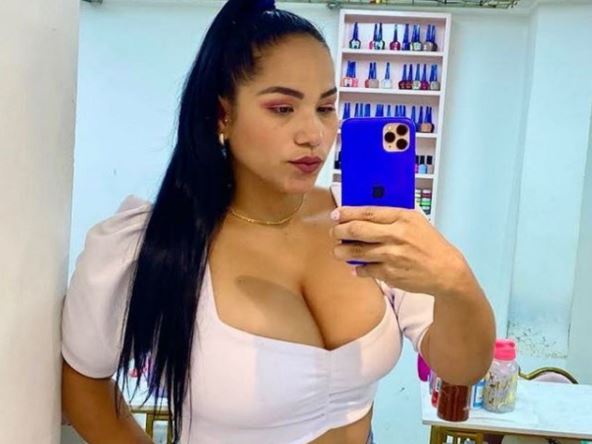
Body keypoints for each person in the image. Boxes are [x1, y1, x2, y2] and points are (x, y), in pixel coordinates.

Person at [61, 0, 496, 443]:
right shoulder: (158, 243)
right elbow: (83, 384)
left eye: (325, 108)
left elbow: (461, 368)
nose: (314, 135)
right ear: (223, 115)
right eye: (283, 108)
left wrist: (455, 282)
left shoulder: (368, 224)